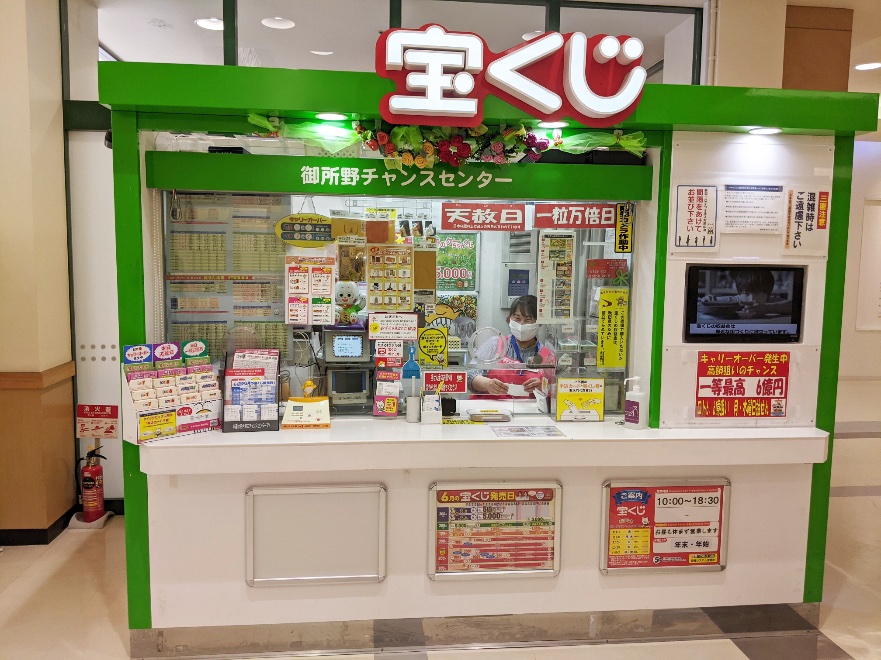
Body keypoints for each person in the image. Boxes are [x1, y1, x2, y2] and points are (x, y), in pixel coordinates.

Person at [469, 295, 546, 397]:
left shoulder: (546, 355)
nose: (521, 324)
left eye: (528, 320)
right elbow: (469, 375)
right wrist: (487, 384)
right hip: (492, 405)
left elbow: (555, 387)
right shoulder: (495, 344)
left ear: (539, 323)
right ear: (510, 319)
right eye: (517, 319)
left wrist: (543, 387)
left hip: (528, 407)